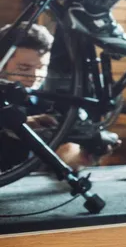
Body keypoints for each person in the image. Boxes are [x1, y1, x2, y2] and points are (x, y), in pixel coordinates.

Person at [0, 24, 115, 172]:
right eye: (24, 68)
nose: (35, 77)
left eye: (42, 67)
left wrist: (83, 157)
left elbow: (60, 156)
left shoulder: (44, 101)